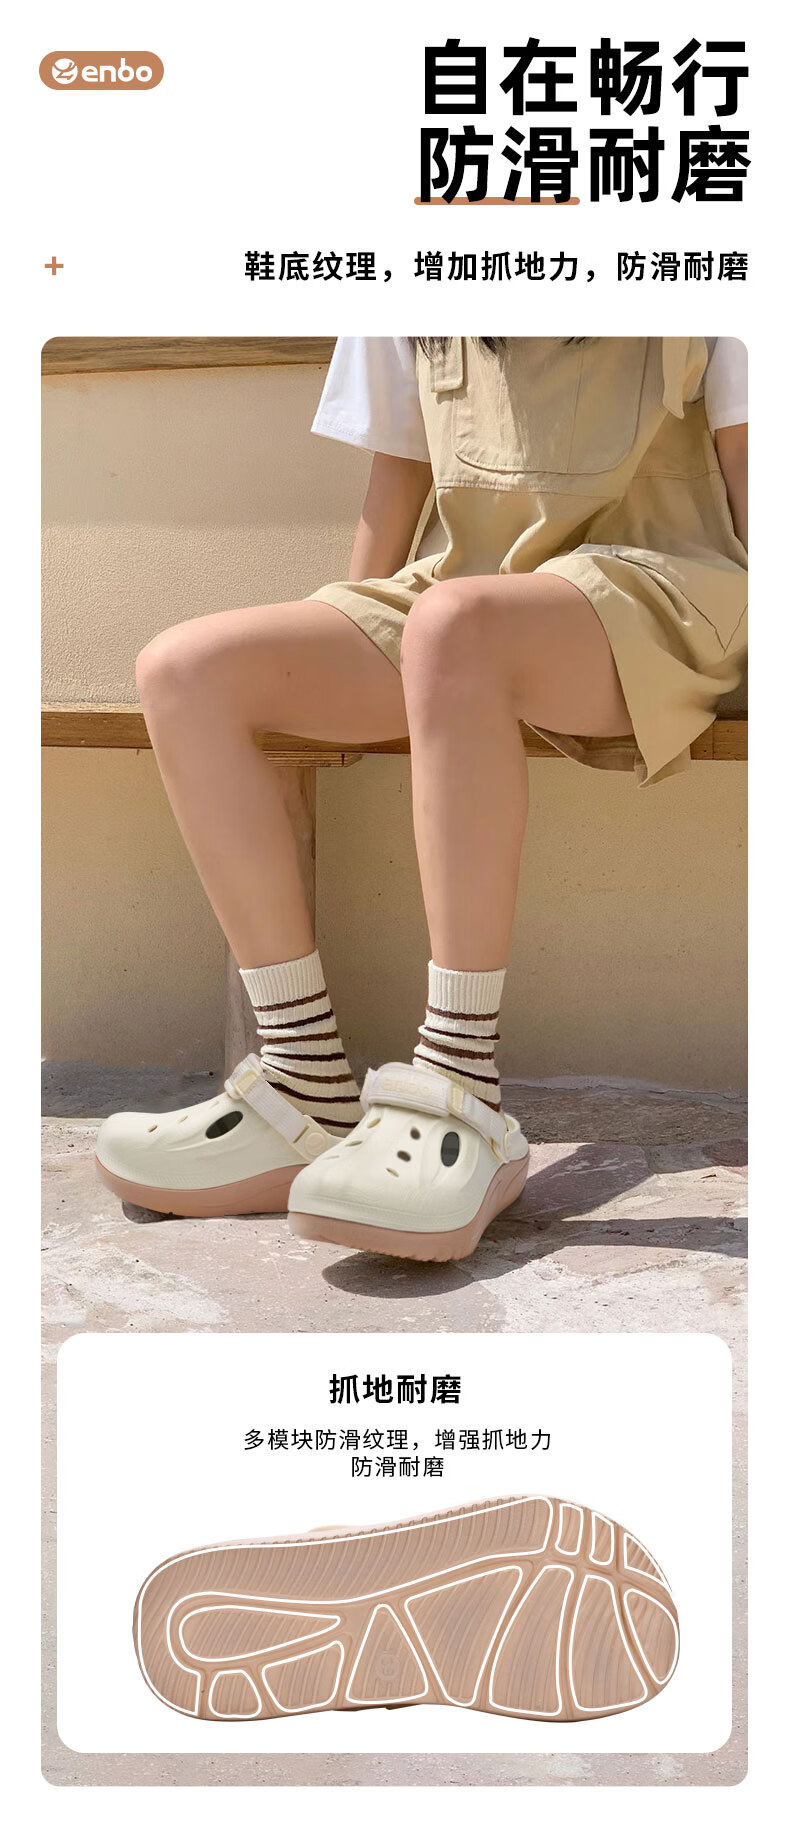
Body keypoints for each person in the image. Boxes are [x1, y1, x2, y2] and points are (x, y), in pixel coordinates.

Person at [96, 336, 748, 1261]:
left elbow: (750, 462)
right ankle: (304, 1085)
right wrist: (344, 634)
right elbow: (395, 482)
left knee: (455, 623)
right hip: (457, 595)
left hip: (663, 586)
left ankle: (461, 1084)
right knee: (187, 670)